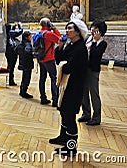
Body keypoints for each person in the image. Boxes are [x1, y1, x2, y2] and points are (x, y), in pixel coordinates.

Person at [49, 19, 88, 156]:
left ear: (78, 31)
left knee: (70, 115)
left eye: (70, 28)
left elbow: (70, 67)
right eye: (66, 28)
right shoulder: (71, 45)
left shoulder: (80, 48)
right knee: (63, 112)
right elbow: (60, 61)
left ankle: (71, 148)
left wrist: (64, 65)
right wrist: (60, 47)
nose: (67, 31)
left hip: (74, 87)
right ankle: (63, 137)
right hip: (66, 85)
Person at [78, 20, 108, 126]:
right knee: (83, 92)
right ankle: (86, 113)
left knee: (94, 94)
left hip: (93, 70)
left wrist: (95, 42)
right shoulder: (88, 39)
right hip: (83, 68)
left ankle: (96, 118)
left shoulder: (102, 43)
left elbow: (95, 55)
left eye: (95, 28)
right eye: (92, 27)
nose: (92, 30)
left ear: (100, 31)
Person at [37, 17, 61, 106]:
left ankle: (43, 98)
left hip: (40, 59)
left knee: (42, 78)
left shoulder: (39, 33)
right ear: (48, 24)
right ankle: (55, 100)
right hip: (49, 59)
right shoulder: (48, 34)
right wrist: (55, 29)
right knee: (53, 78)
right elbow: (60, 40)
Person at [16, 31, 34, 98]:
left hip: (22, 62)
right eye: (30, 36)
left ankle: (22, 91)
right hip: (27, 63)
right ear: (26, 37)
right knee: (27, 78)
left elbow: (16, 50)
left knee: (24, 77)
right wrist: (33, 55)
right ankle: (24, 92)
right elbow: (28, 52)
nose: (31, 38)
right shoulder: (27, 44)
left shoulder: (21, 43)